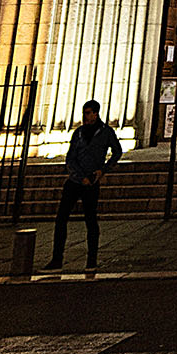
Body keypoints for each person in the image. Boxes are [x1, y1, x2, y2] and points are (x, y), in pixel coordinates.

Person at [46, 100, 121, 271]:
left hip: (92, 181)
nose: (85, 116)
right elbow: (70, 157)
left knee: (91, 220)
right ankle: (56, 259)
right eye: (84, 113)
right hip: (75, 181)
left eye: (88, 113)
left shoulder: (106, 132)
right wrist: (79, 176)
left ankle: (91, 260)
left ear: (96, 113)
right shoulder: (78, 133)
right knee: (61, 219)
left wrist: (102, 171)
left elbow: (117, 152)